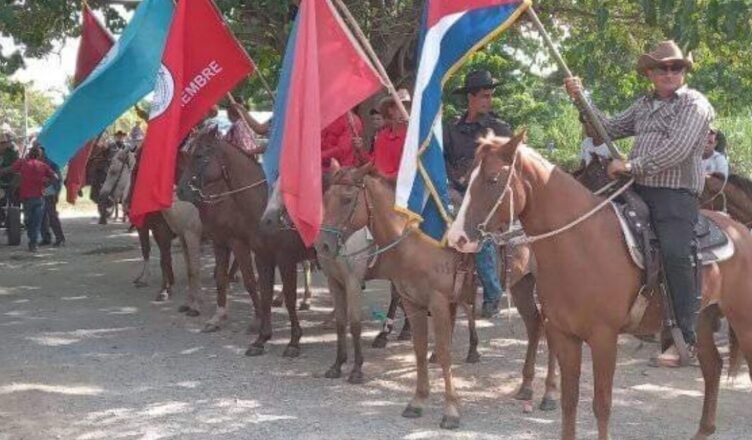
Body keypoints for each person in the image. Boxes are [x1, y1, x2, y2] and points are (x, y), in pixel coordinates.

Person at [565, 40, 715, 367]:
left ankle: (683, 337)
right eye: (662, 67)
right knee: (592, 223)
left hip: (674, 194)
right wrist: (582, 97)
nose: (670, 73)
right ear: (649, 72)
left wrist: (633, 166)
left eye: (676, 67)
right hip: (635, 188)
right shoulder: (644, 104)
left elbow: (679, 148)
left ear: (684, 72)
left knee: (675, 252)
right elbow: (606, 128)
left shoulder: (694, 104)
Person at [444, 70, 511, 318]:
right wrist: (454, 180)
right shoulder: (450, 128)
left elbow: (509, 164)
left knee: (477, 226)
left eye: (490, 96)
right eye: (484, 96)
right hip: (454, 190)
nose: (489, 100)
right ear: (470, 98)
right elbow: (441, 161)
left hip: (488, 193)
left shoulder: (499, 127)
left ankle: (493, 292)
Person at [0, 146, 57, 252]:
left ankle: (33, 241)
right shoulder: (43, 165)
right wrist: (46, 183)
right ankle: (33, 244)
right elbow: (55, 177)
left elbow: (9, 170)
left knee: (29, 221)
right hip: (39, 198)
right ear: (39, 156)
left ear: (29, 154)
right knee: (36, 222)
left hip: (26, 198)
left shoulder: (22, 163)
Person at [372, 89, 411, 181]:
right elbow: (373, 164)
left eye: (407, 108)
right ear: (391, 110)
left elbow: (409, 173)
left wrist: (385, 178)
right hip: (379, 186)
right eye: (399, 107)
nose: (403, 111)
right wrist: (360, 149)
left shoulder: (412, 138)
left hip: (400, 189)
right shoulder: (381, 136)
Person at [38, 145, 65, 247]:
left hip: (50, 192)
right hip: (40, 192)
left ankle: (60, 238)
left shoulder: (51, 164)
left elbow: (57, 179)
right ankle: (46, 238)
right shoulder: (36, 163)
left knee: (52, 216)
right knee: (41, 216)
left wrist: (55, 192)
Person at [0, 128, 21, 228]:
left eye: (4, 143)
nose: (2, 145)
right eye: (1, 143)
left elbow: (17, 165)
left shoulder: (12, 152)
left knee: (15, 197)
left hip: (10, 180)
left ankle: (15, 220)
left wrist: (5, 170)